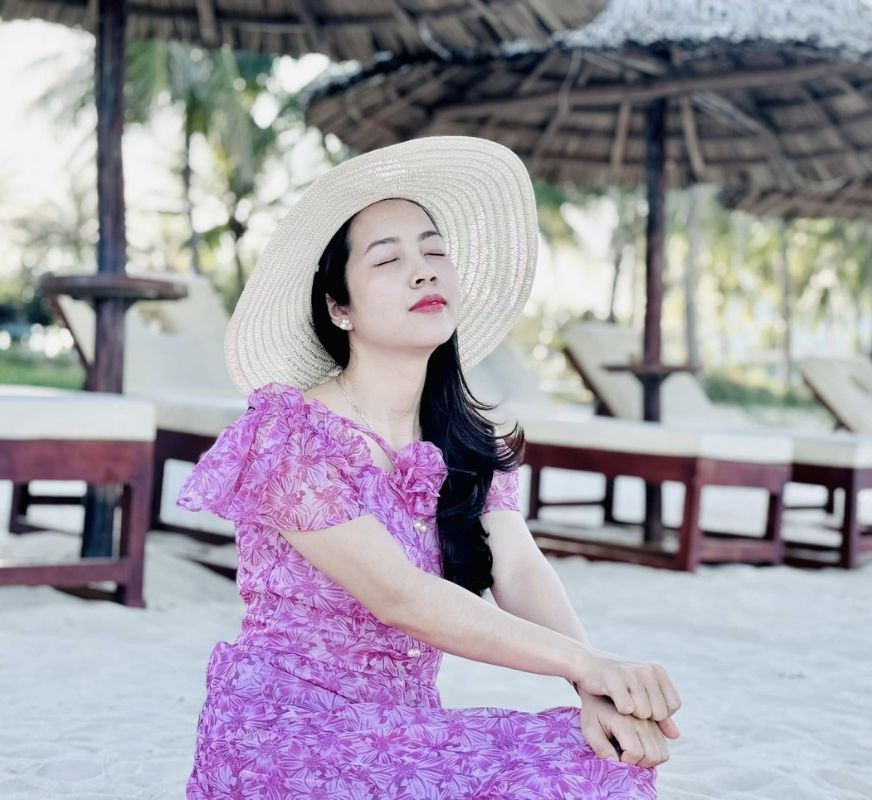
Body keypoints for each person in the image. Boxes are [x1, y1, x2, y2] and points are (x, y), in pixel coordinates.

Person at [177, 136, 681, 799]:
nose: (424, 271)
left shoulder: (461, 442)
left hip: (402, 732)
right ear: (339, 307)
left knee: (605, 762)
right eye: (388, 259)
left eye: (435, 251)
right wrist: (589, 665)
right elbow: (401, 598)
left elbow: (520, 567)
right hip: (288, 737)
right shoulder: (289, 436)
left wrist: (591, 689)